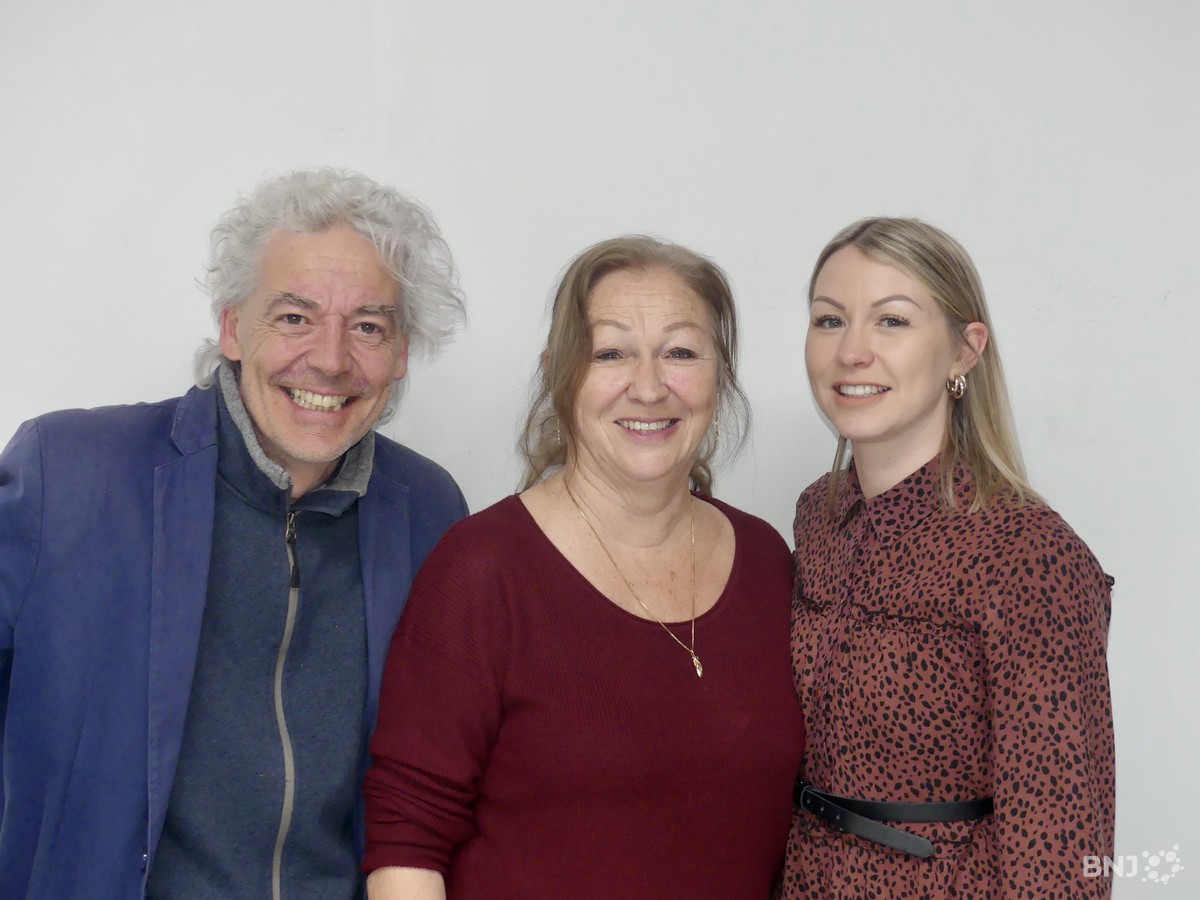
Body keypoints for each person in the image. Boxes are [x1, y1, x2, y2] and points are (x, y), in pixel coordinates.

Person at [0, 168, 469, 898]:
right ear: (231, 328)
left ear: (402, 352)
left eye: (369, 326)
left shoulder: (429, 510)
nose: (331, 359)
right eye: (295, 317)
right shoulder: (68, 474)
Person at [362, 235, 805, 898]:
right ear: (559, 373)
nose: (649, 387)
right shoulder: (483, 572)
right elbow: (407, 845)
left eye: (681, 353)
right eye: (611, 353)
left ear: (720, 376)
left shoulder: (769, 562)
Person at [784, 217, 1115, 897]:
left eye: (892, 321)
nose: (851, 351)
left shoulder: (1029, 556)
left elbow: (1063, 839)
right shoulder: (819, 515)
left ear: (965, 351)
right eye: (829, 320)